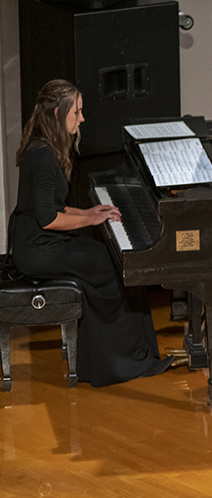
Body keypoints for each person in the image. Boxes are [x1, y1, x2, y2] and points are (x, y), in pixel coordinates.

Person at [11, 79, 172, 387]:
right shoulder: (43, 155)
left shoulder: (42, 146)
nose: (82, 119)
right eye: (77, 112)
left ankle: (136, 356)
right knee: (116, 265)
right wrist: (88, 221)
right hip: (38, 250)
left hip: (40, 244)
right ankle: (119, 364)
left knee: (111, 258)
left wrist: (90, 214)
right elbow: (48, 219)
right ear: (58, 113)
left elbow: (54, 208)